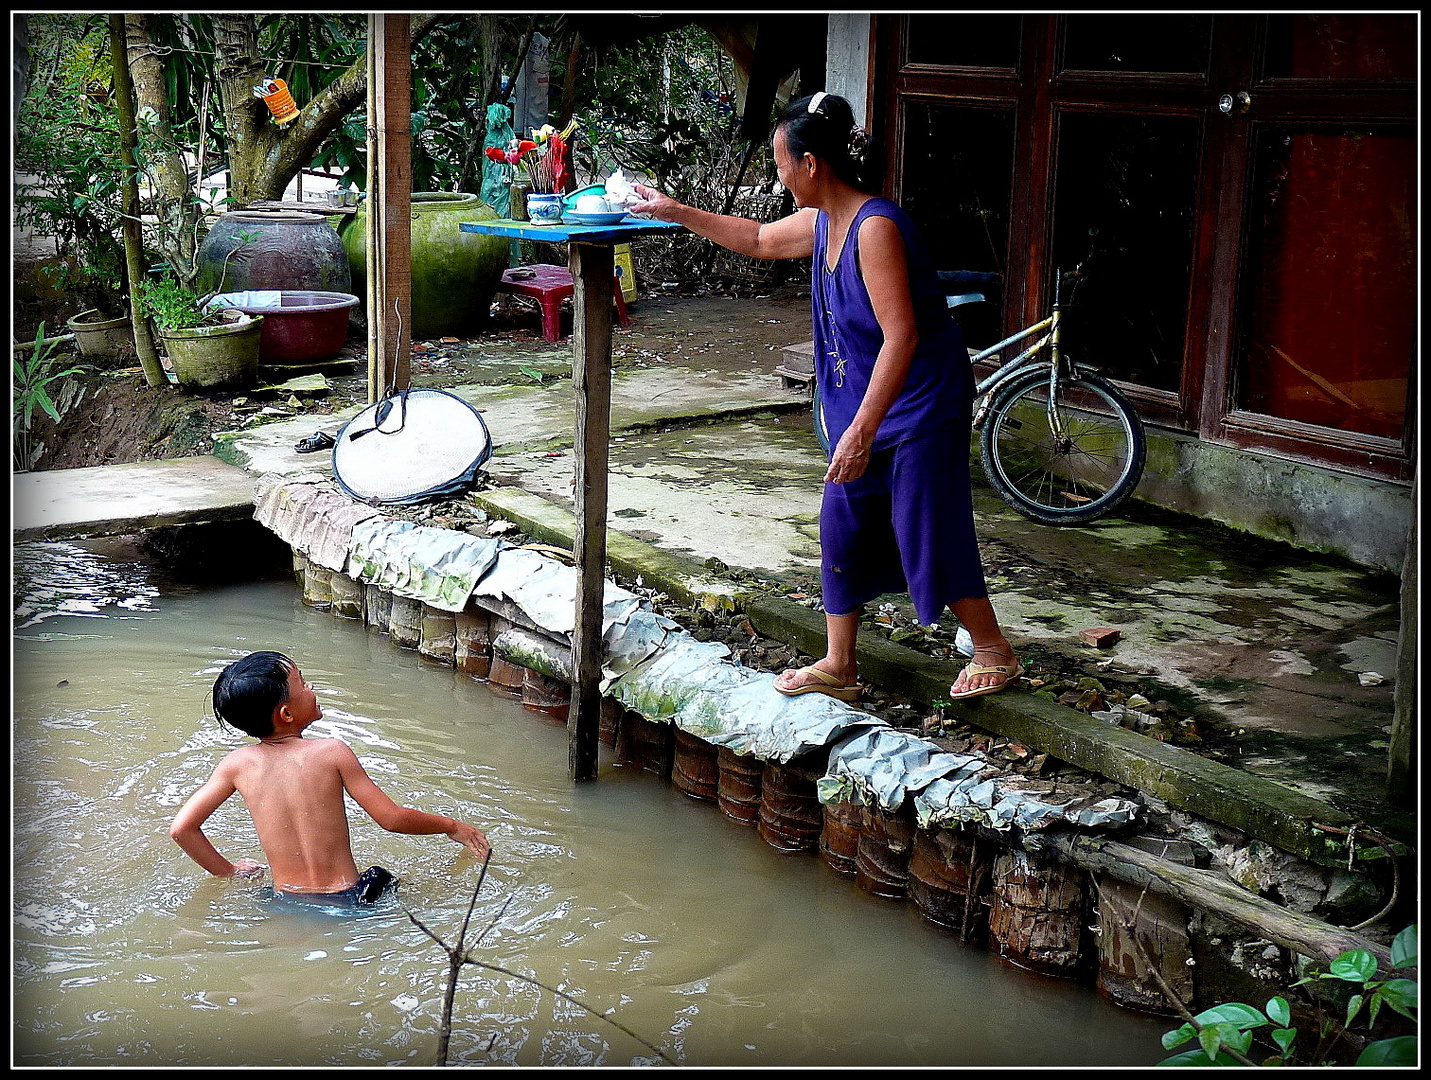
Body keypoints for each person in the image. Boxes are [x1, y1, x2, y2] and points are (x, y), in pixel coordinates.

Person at [630, 90, 1019, 703]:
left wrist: (863, 430)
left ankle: (993, 648)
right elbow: (758, 239)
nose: (779, 176)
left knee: (927, 525)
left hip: (918, 403)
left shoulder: (875, 227)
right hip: (865, 402)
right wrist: (673, 211)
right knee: (843, 522)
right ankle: (840, 663)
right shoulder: (823, 223)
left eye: (782, 163)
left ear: (812, 164)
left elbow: (902, 336)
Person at [170, 650, 491, 907]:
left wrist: (229, 873)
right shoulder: (332, 752)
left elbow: (182, 829)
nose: (311, 687)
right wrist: (453, 826)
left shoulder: (235, 765)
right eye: (303, 683)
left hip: (283, 901)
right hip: (348, 899)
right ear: (286, 714)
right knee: (396, 882)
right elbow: (392, 819)